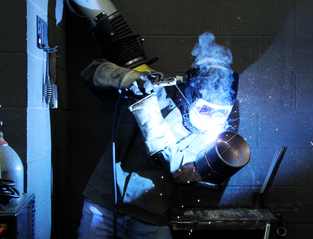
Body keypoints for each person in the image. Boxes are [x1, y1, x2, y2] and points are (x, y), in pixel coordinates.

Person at [77, 31, 240, 239]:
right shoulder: (155, 91)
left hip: (151, 218)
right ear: (190, 94)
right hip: (103, 208)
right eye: (206, 109)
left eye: (219, 112)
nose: (212, 117)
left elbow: (185, 172)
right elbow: (90, 72)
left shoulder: (216, 132)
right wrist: (126, 78)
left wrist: (147, 111)